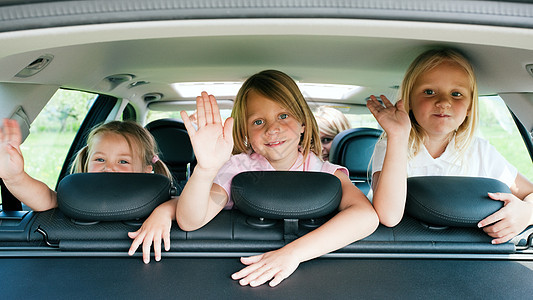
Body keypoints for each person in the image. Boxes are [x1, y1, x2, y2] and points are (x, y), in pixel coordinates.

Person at [129, 69, 378, 287]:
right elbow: (192, 220)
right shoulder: (236, 169)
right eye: (258, 122)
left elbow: (365, 216)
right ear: (246, 132)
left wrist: (291, 254)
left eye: (283, 116)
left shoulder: (326, 173)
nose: (272, 128)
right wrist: (205, 169)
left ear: (303, 122)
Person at [367, 48, 533, 244]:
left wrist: (526, 212)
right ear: (409, 100)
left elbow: (529, 192)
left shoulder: (480, 151)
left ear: (470, 106)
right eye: (429, 92)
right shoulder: (392, 145)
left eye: (456, 94)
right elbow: (388, 216)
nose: (443, 102)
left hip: (473, 255)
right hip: (407, 252)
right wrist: (397, 135)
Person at [0, 119, 172, 211]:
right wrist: (15, 177)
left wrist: (164, 213)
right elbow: (46, 199)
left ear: (146, 170)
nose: (109, 167)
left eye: (123, 161)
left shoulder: (157, 203)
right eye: (100, 159)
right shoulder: (77, 198)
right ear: (87, 161)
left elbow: (181, 206)